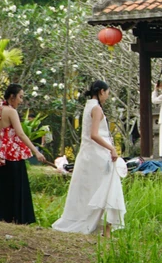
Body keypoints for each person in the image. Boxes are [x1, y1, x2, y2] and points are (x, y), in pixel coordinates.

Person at [53, 81, 126, 237]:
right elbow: (94, 134)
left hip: (88, 154)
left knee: (90, 190)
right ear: (101, 92)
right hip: (97, 154)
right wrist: (111, 148)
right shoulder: (96, 108)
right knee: (108, 189)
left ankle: (99, 227)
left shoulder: (88, 106)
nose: (107, 96)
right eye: (107, 92)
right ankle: (106, 231)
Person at [0, 84, 47, 224]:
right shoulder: (11, 112)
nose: (21, 100)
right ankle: (16, 218)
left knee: (0, 185)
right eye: (20, 97)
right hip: (12, 154)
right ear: (12, 97)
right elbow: (20, 133)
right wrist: (36, 151)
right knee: (16, 186)